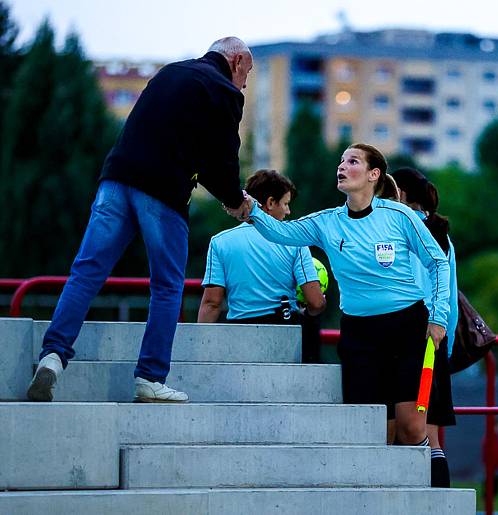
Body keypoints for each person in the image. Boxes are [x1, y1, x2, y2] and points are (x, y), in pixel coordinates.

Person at [27, 37, 255, 403]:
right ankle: (149, 377)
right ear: (238, 59)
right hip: (162, 192)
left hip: (116, 180)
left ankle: (52, 356)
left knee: (86, 271)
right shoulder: (224, 91)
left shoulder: (170, 73)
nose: (245, 82)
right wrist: (236, 202)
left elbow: (189, 151)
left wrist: (228, 194)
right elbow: (223, 158)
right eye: (248, 73)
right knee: (166, 286)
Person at [233, 143, 450, 450]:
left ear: (374, 174)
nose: (342, 166)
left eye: (353, 161)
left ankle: (427, 488)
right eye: (341, 161)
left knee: (412, 427)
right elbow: (282, 233)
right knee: (373, 429)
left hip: (406, 326)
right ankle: (379, 494)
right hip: (360, 331)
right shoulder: (328, 221)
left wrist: (439, 317)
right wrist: (250, 208)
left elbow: (437, 263)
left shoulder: (400, 215)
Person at [197, 170, 326, 361]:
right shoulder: (295, 241)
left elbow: (211, 303)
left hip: (237, 335)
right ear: (271, 203)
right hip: (284, 333)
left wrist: (200, 350)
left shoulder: (220, 242)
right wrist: (312, 308)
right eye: (286, 204)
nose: (288, 211)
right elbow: (315, 302)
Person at [391, 167, 458, 488]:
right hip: (436, 341)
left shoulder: (398, 231)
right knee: (430, 435)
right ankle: (440, 505)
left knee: (398, 432)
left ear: (401, 195)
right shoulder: (442, 235)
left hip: (404, 337)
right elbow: (451, 301)